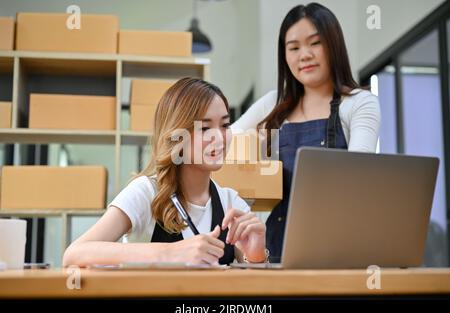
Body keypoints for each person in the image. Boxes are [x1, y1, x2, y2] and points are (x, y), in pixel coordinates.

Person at [63, 78, 268, 267]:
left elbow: (258, 288)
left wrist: (257, 254)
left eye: (224, 125)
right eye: (205, 128)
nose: (220, 137)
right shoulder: (146, 192)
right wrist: (169, 252)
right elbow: (74, 254)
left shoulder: (231, 202)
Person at [231, 3, 381, 262]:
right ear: (285, 55)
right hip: (280, 246)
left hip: (342, 246)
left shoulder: (359, 103)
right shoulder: (273, 103)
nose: (305, 55)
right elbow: (226, 140)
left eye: (315, 43)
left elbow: (361, 175)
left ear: (334, 45)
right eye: (294, 48)